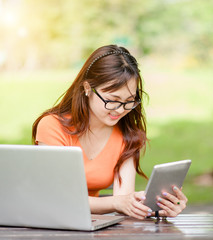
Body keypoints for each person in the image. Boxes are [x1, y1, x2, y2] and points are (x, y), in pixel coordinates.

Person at [32, 45, 188, 219]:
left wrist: (156, 206)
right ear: (87, 88)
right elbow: (57, 198)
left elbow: (123, 200)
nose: (120, 110)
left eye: (129, 101)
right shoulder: (52, 126)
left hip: (90, 224)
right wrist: (116, 202)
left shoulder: (126, 134)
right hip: (48, 223)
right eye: (113, 100)